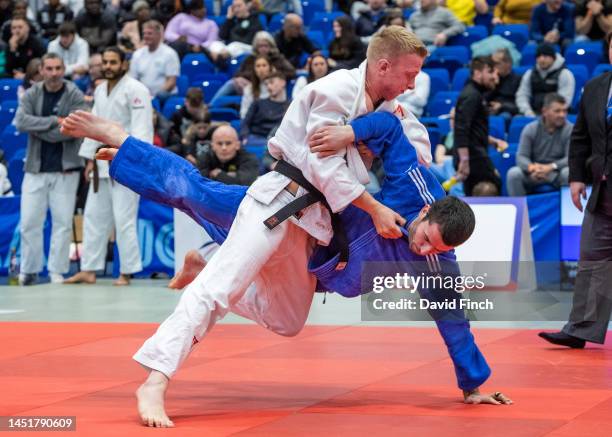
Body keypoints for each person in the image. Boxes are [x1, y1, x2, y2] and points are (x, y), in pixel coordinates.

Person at [60, 107, 512, 428]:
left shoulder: (437, 262)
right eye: (424, 235)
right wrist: (349, 134)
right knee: (195, 192)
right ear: (428, 212)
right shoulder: (417, 187)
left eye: (430, 249)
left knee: (288, 323)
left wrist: (473, 384)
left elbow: (454, 319)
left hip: (311, 265)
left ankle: (207, 261)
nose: (420, 246)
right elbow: (391, 132)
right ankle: (122, 141)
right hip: (296, 215)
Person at [86, 26, 445, 427]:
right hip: (279, 200)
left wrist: (367, 139)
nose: (413, 84)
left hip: (316, 226)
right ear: (383, 65)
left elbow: (416, 161)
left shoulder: (395, 114)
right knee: (217, 276)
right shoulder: (336, 89)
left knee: (288, 321)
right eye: (409, 74)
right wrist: (373, 204)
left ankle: (203, 265)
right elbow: (322, 165)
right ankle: (156, 378)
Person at [538, 31, 612, 349]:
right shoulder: (596, 87)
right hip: (603, 191)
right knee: (592, 259)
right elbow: (581, 136)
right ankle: (581, 328)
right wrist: (577, 176)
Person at [63, 47, 153, 286]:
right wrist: (89, 161)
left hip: (126, 165)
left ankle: (126, 271)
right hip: (101, 163)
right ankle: (89, 269)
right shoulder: (101, 90)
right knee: (93, 217)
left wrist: (134, 162)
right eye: (106, 62)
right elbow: (93, 127)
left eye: (114, 62)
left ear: (124, 64)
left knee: (123, 219)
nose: (109, 66)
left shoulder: (136, 90)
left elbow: (142, 131)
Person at [13, 53, 87, 285]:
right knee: (29, 222)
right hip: (36, 167)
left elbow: (74, 128)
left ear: (64, 69)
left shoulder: (74, 93)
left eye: (58, 68)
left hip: (66, 169)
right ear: (42, 70)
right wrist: (54, 121)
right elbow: (20, 121)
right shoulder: (33, 93)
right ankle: (29, 269)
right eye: (49, 68)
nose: (54, 73)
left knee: (63, 223)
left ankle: (57, 271)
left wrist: (41, 127)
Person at [454, 56, 503, 196]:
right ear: (478, 72)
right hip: (472, 156)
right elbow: (461, 128)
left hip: (474, 154)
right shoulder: (471, 95)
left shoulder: (476, 94)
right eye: (491, 72)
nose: (495, 77)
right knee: (493, 185)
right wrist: (464, 160)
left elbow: (473, 129)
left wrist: (493, 141)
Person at [506, 93, 571, 196]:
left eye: (564, 111)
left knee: (568, 173)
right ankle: (521, 211)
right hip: (534, 174)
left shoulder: (570, 130)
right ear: (544, 111)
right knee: (514, 174)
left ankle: (569, 210)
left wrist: (550, 167)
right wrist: (532, 168)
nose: (562, 115)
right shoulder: (530, 129)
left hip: (557, 173)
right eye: (557, 111)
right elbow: (521, 157)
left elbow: (571, 158)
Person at [210, 31, 296, 106]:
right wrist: (251, 76)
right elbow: (238, 73)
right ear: (256, 47)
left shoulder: (278, 58)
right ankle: (211, 105)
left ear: (271, 46)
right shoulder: (250, 59)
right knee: (232, 83)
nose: (263, 49)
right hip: (249, 85)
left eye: (265, 46)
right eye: (260, 46)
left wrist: (273, 74)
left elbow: (291, 72)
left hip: (270, 86)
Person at [516, 43, 575, 117]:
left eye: (545, 56)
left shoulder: (565, 74)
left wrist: (550, 114)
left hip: (557, 114)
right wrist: (528, 112)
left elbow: (565, 99)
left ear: (553, 58)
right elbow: (522, 95)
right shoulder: (530, 73)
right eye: (539, 56)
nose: (541, 59)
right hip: (533, 113)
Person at [129, 20, 180, 102]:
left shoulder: (170, 54)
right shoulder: (137, 54)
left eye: (149, 33)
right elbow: (133, 80)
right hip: (142, 96)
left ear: (159, 35)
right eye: (144, 33)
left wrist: (154, 97)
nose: (146, 36)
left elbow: (171, 82)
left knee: (161, 96)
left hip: (163, 96)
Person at [241, 71, 290, 147]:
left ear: (283, 83)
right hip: (257, 139)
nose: (268, 87)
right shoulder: (258, 103)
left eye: (271, 82)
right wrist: (245, 137)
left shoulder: (290, 106)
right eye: (266, 84)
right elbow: (245, 123)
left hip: (278, 141)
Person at [488, 48, 521, 121]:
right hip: (490, 109)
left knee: (504, 117)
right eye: (492, 63)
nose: (494, 66)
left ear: (508, 63)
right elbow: (484, 98)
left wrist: (501, 106)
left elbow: (518, 106)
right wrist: (493, 84)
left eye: (497, 63)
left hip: (507, 111)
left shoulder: (518, 80)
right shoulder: (491, 78)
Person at [239, 54, 273, 118]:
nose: (261, 69)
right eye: (258, 66)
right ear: (254, 69)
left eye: (264, 65)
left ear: (270, 67)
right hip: (254, 123)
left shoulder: (278, 87)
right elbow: (243, 113)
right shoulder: (248, 89)